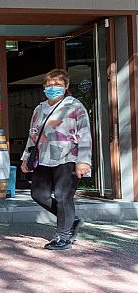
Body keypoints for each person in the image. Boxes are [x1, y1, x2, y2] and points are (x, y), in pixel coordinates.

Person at [21, 68, 92, 250]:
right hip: (44, 158)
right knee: (38, 194)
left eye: (58, 85)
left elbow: (85, 134)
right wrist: (26, 158)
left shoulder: (75, 106)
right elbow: (32, 136)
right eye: (50, 85)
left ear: (66, 86)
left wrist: (84, 160)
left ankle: (64, 237)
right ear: (44, 87)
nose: (53, 88)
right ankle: (71, 220)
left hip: (68, 157)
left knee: (62, 196)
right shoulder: (39, 109)